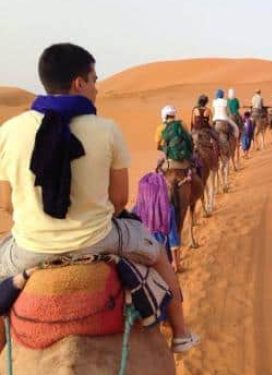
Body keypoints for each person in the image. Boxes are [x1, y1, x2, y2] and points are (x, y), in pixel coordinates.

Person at [0, 43, 198, 353]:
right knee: (159, 254)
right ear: (79, 82)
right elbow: (119, 199)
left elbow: (7, 203)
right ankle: (182, 334)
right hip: (99, 238)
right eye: (94, 79)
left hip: (30, 248)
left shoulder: (9, 131)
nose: (97, 88)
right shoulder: (107, 130)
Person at [133, 173, 181, 271]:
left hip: (142, 258)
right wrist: (176, 262)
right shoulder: (168, 210)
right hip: (163, 257)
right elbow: (173, 239)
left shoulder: (135, 211)